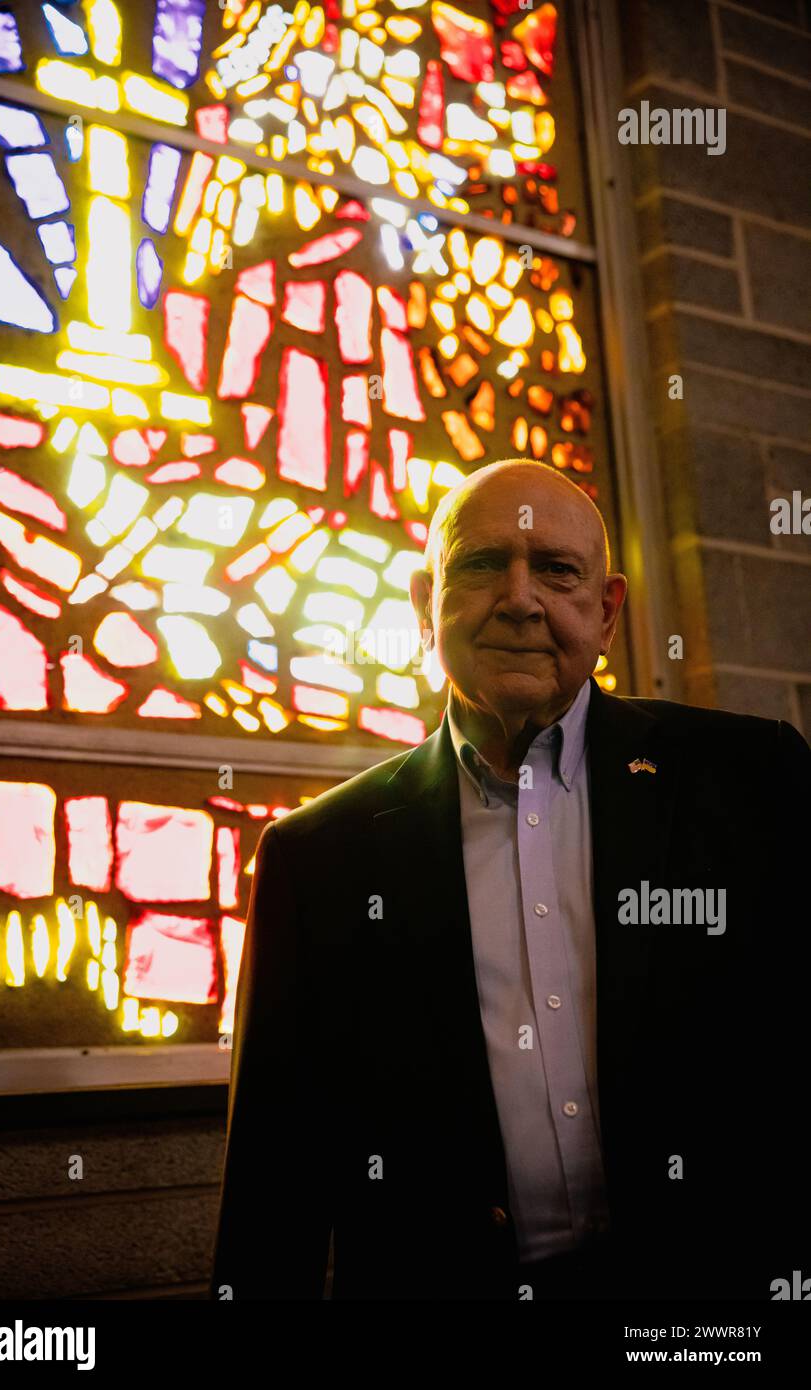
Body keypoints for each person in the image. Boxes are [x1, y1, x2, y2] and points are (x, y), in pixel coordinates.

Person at [211, 458, 809, 1301]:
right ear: (425, 605)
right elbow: (276, 1179)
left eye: (556, 571)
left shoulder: (751, 781)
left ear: (605, 614)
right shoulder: (319, 856)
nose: (520, 599)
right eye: (483, 564)